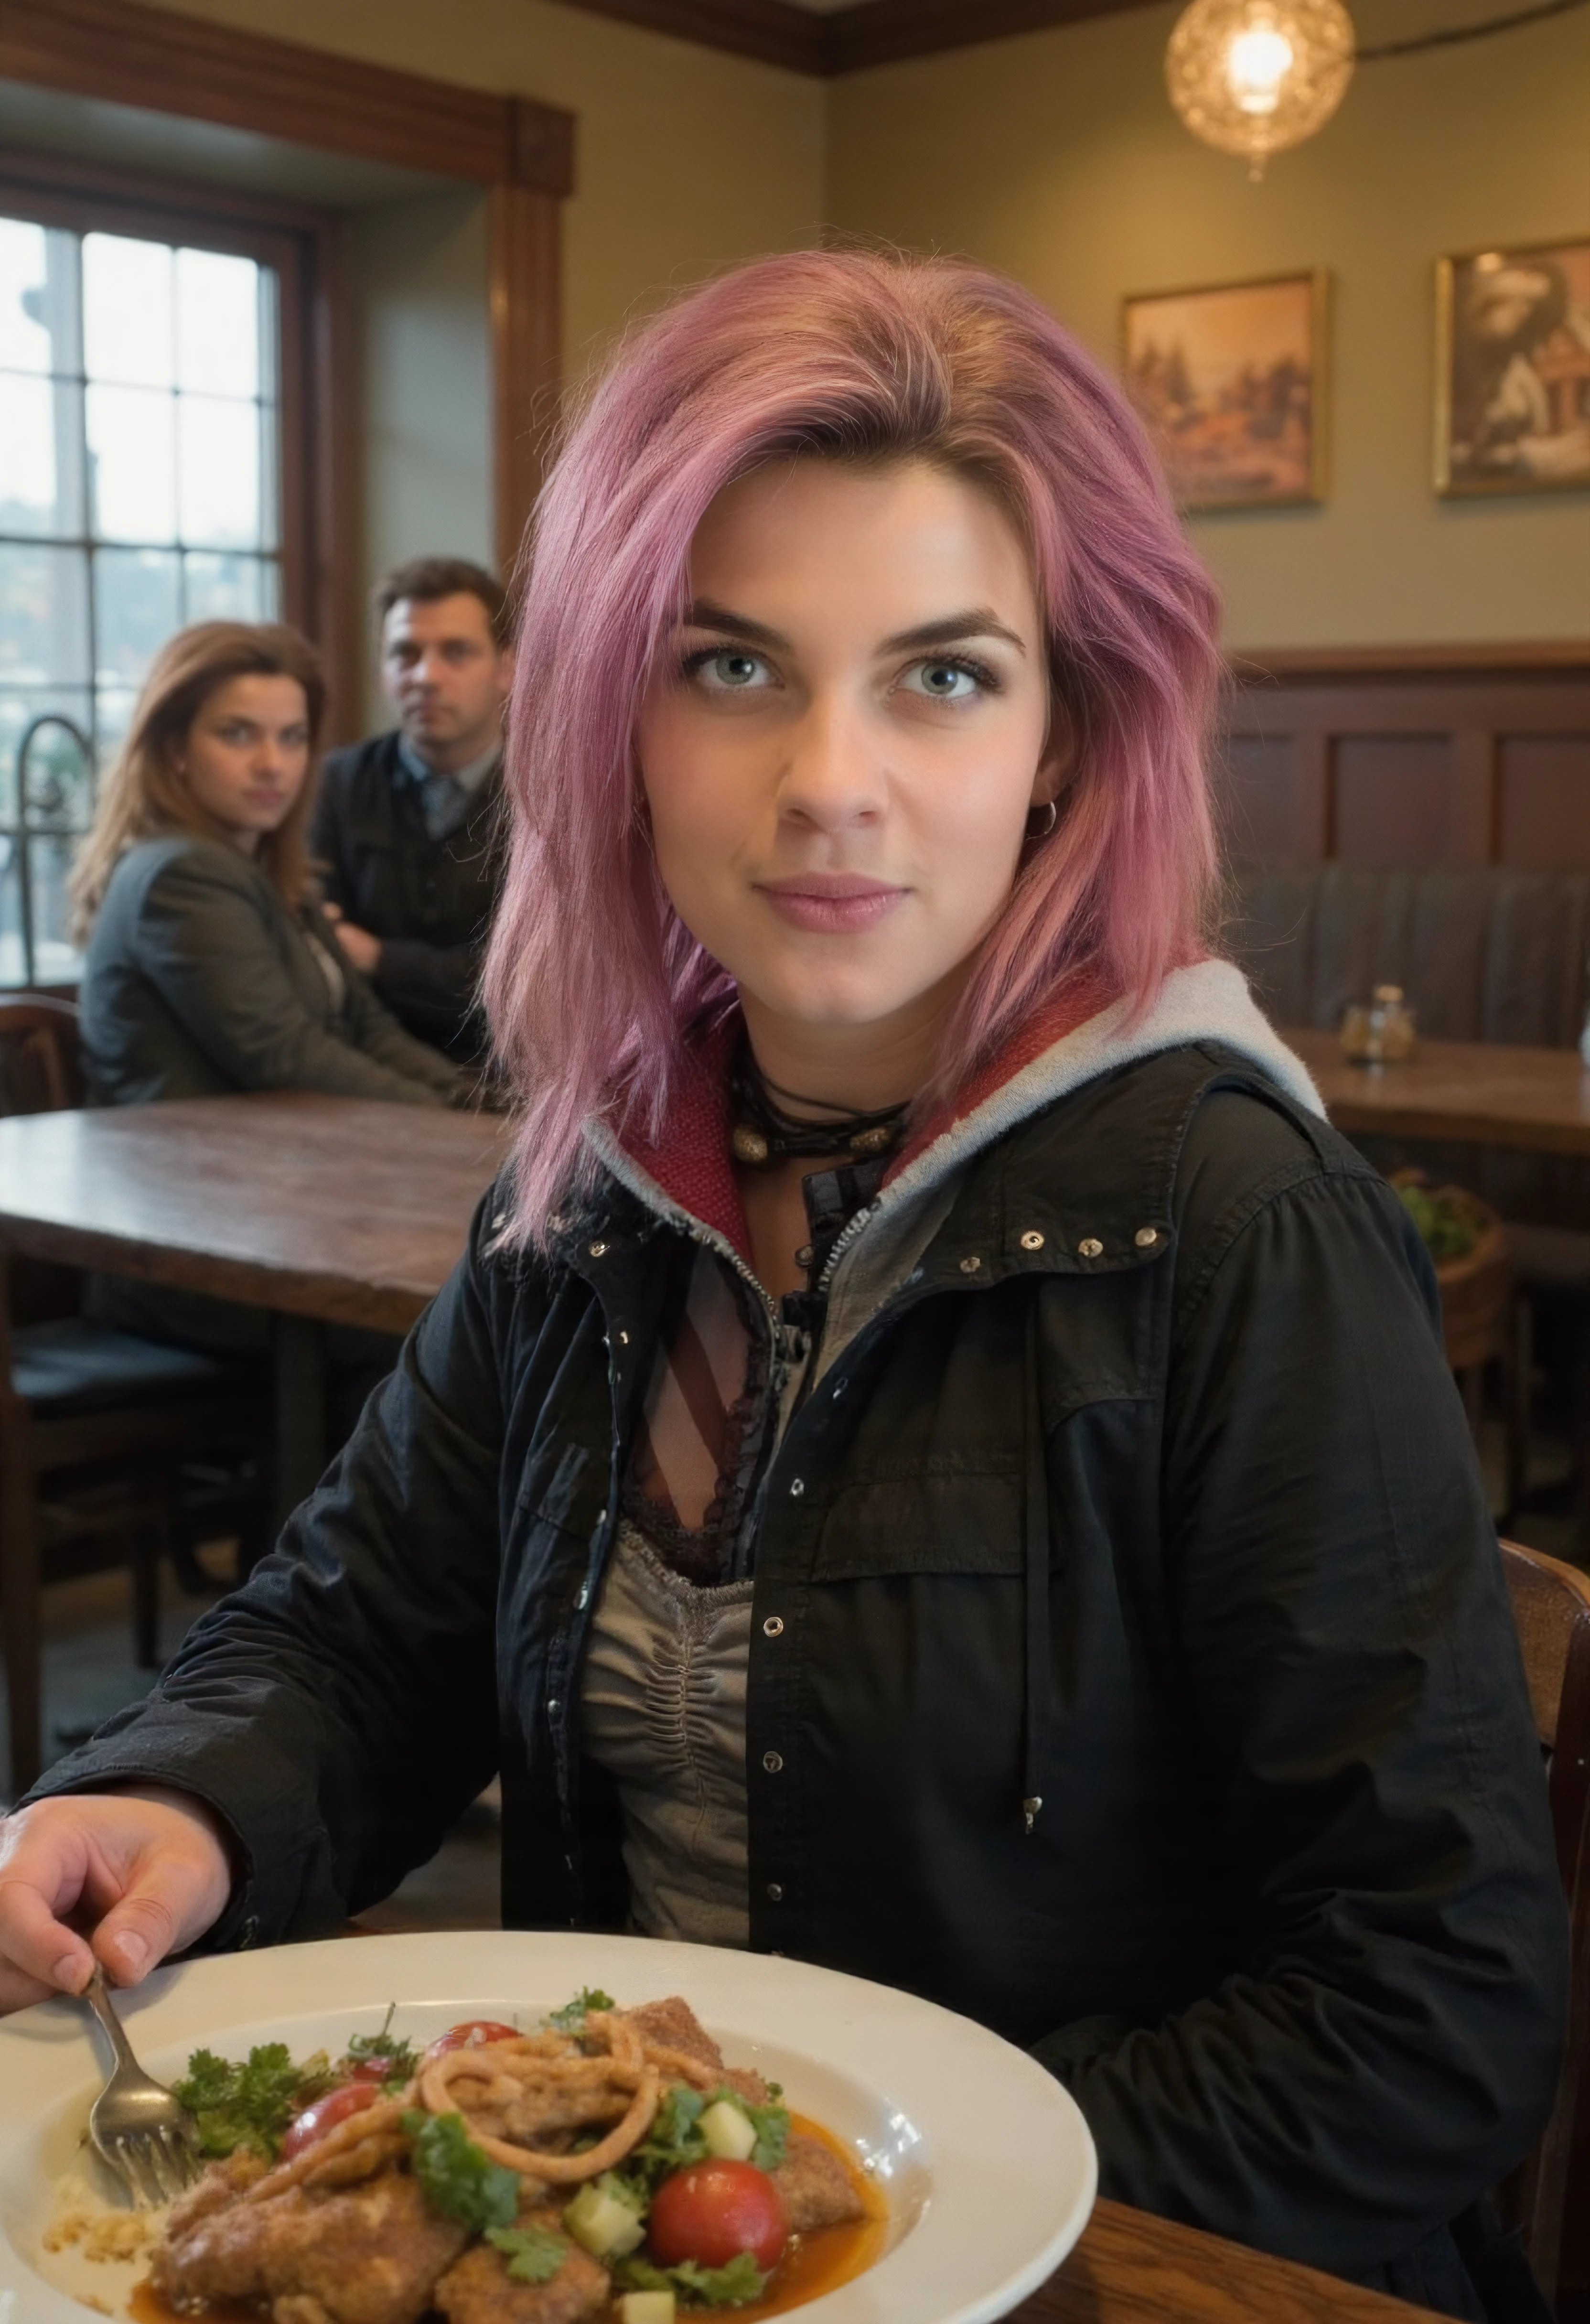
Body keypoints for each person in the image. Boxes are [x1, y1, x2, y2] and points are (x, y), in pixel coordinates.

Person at [0, 254, 1567, 2322]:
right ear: (617, 726)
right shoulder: (584, 1188)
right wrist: (172, 1797)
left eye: (942, 674)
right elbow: (366, 1634)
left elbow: (1432, 2003)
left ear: (1067, 742)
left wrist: (887, 2208)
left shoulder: (1237, 1219)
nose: (833, 776)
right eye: (734, 669)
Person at [66, 620, 469, 1355]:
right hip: (198, 1261)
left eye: (291, 738)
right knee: (482, 1337)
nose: (271, 764)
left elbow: (365, 1026)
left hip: (279, 1226)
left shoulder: (266, 871)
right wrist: (459, 1131)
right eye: (238, 734)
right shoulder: (181, 873)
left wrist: (477, 1107)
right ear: (175, 749)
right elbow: (286, 1057)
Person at [311, 557, 514, 1060]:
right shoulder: (339, 782)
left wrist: (378, 957)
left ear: (506, 669)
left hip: (508, 1080)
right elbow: (318, 948)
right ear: (383, 669)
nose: (425, 676)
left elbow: (525, 984)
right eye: (405, 653)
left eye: (456, 652)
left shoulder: (549, 795)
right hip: (363, 1069)